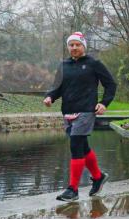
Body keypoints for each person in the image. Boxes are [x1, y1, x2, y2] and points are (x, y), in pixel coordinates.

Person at [44, 32, 117, 202]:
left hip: (86, 111)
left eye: (78, 45)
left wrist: (104, 103)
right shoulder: (63, 65)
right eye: (71, 45)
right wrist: (50, 97)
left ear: (83, 46)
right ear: (68, 47)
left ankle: (73, 190)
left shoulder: (94, 64)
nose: (74, 48)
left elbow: (111, 84)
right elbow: (57, 87)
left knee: (76, 145)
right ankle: (98, 177)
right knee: (83, 146)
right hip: (68, 111)